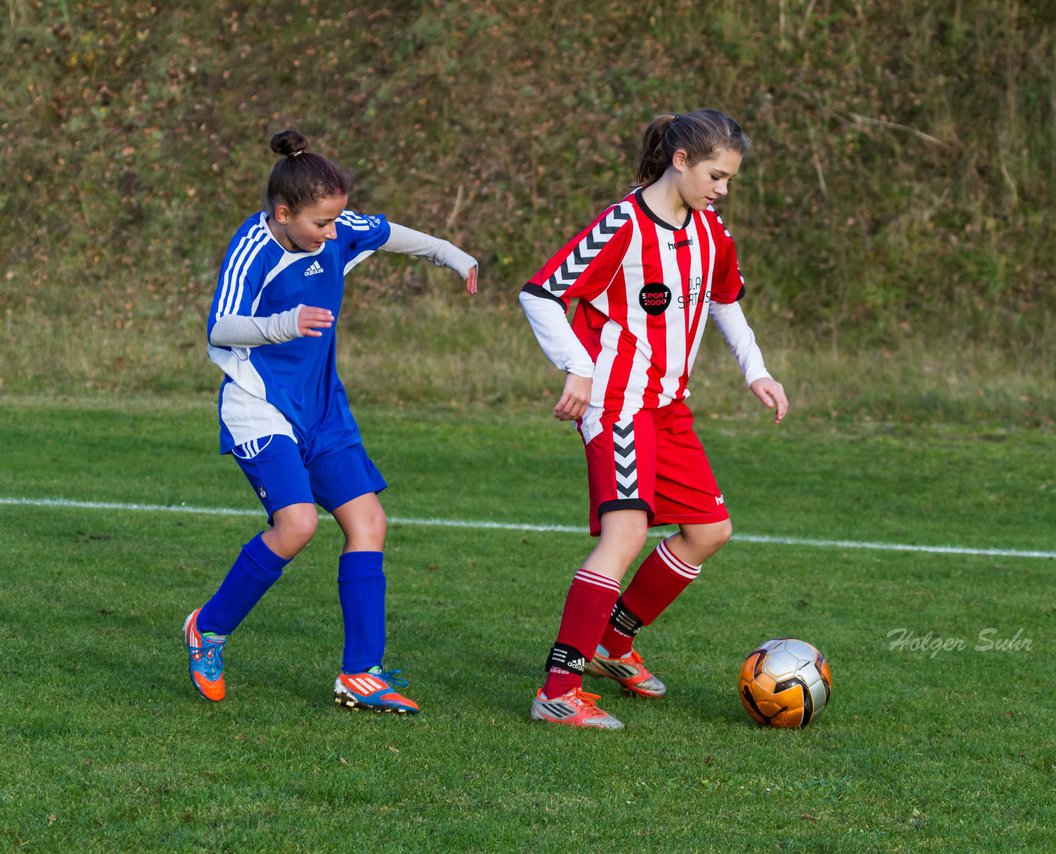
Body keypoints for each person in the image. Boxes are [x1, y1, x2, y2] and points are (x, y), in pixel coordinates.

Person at [185, 129, 479, 714]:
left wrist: (450, 252)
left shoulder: (334, 229)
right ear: (283, 212)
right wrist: (283, 323)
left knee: (368, 522)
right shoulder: (254, 247)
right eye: (320, 223)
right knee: (296, 526)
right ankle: (208, 629)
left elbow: (389, 233)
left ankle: (361, 674)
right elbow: (220, 326)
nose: (332, 233)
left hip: (323, 409)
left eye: (336, 220)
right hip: (259, 404)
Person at [519, 109, 789, 729]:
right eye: (717, 176)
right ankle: (559, 690)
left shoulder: (711, 231)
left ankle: (614, 646)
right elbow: (539, 295)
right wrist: (577, 368)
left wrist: (757, 371)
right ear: (681, 160)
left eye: (730, 180)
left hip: (668, 407)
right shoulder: (622, 224)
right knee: (626, 536)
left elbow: (727, 303)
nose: (723, 190)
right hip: (616, 403)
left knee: (709, 531)